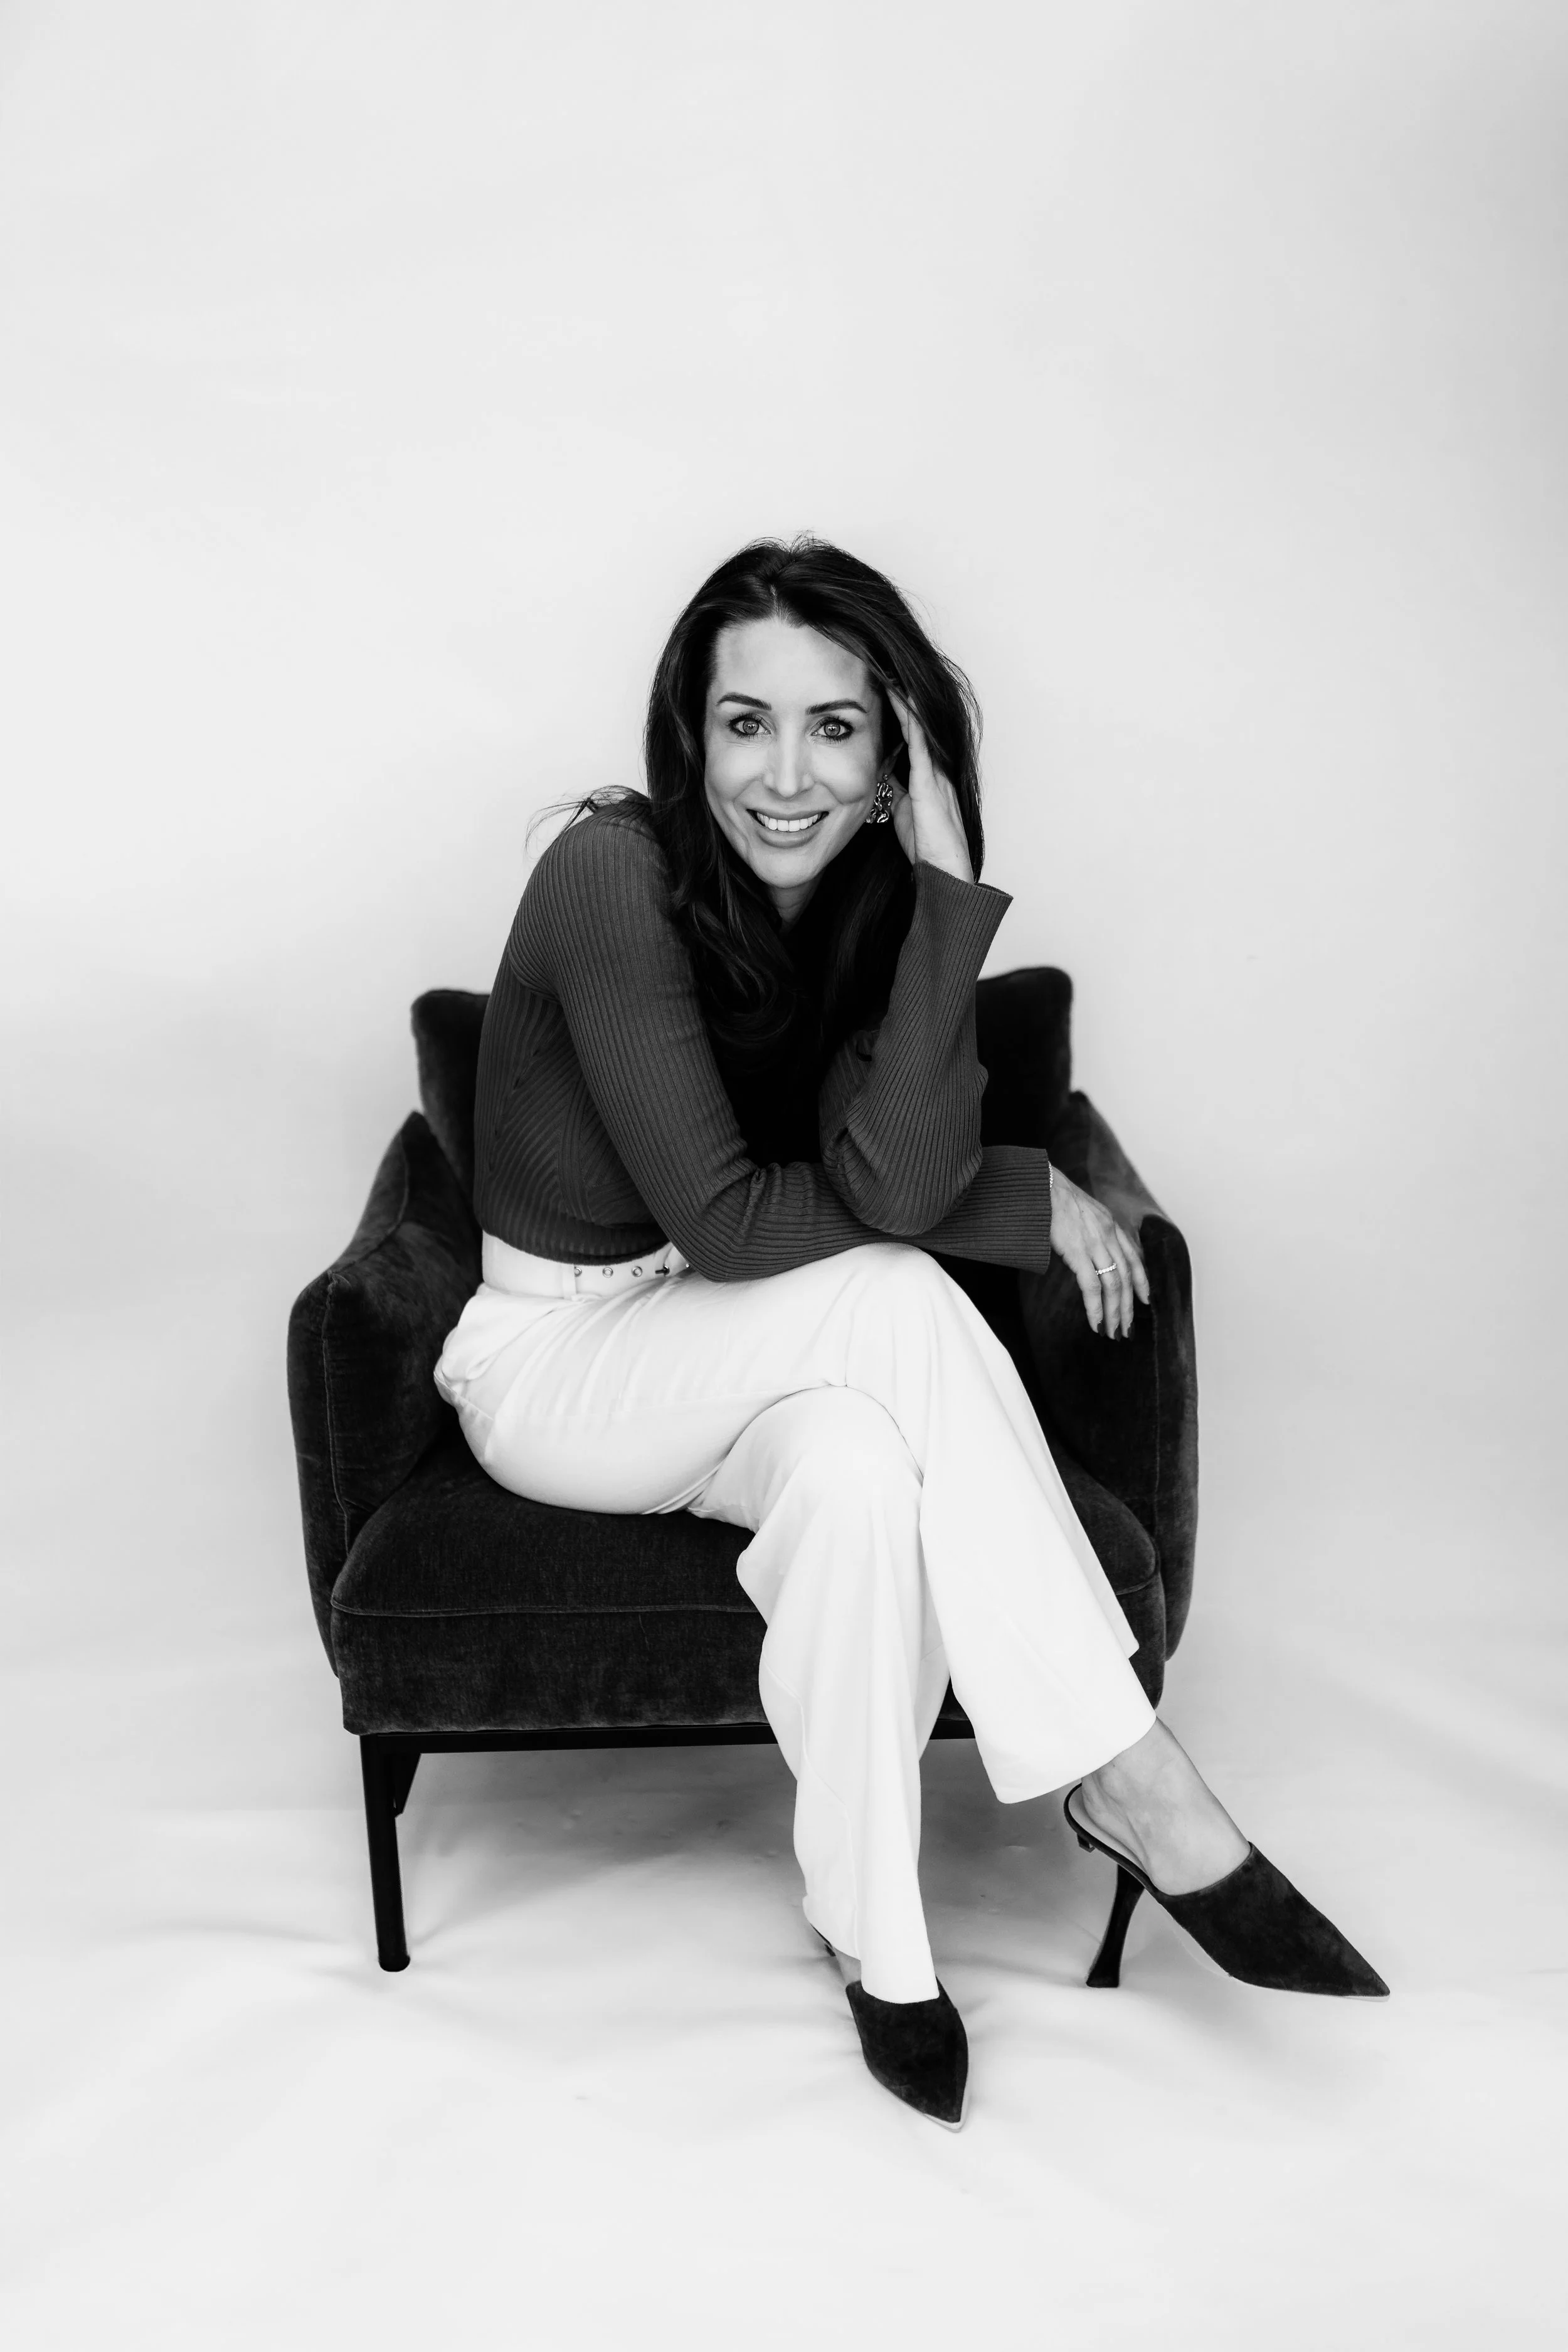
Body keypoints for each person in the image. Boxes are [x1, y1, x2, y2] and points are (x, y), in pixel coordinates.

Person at [434, 536, 1386, 2129]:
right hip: (554, 1367)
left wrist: (944, 897)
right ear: (689, 737)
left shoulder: (863, 915)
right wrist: (1011, 1200)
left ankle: (875, 1936)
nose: (782, 776)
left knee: (863, 1477)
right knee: (891, 1301)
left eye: (833, 729)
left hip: (718, 1346)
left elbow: (880, 1180)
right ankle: (1127, 1772)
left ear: (893, 759)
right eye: (743, 724)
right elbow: (736, 1225)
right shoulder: (607, 875)